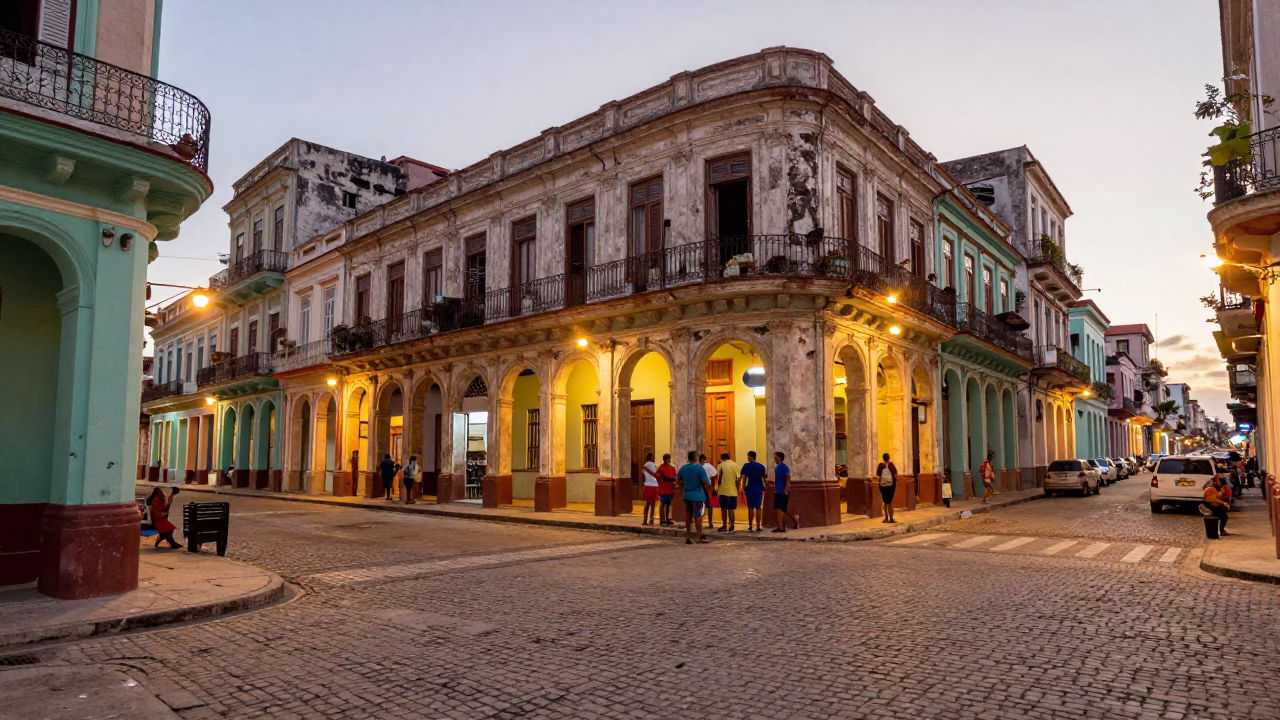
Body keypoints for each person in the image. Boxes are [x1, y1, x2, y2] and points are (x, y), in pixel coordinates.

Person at [677, 450, 713, 544]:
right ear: (696, 457)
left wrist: (683, 488)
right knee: (698, 515)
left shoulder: (683, 468)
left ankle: (688, 536)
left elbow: (677, 481)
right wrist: (710, 489)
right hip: (698, 495)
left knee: (688, 515)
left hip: (687, 495)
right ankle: (698, 537)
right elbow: (705, 481)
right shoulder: (699, 468)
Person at [772, 451, 800, 532]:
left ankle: (781, 527)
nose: (774, 458)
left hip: (782, 491)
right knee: (780, 509)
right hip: (777, 491)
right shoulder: (776, 468)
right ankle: (792, 519)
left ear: (779, 458)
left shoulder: (784, 467)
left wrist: (786, 490)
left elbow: (788, 478)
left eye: (775, 457)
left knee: (781, 509)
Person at [740, 451, 768, 532]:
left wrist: (742, 488)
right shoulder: (761, 466)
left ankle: (750, 525)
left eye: (748, 456)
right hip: (759, 488)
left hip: (750, 488)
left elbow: (744, 477)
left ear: (750, 457)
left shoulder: (746, 466)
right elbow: (764, 478)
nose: (747, 457)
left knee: (750, 508)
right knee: (758, 507)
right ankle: (758, 526)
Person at [715, 452, 741, 532]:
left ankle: (724, 525)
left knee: (723, 509)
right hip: (733, 491)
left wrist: (717, 488)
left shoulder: (721, 465)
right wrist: (738, 489)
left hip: (724, 490)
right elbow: (738, 479)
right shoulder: (736, 465)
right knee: (731, 509)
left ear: (722, 458)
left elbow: (719, 478)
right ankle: (732, 525)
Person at [876, 452, 898, 523]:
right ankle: (891, 518)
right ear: (889, 458)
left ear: (883, 458)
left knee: (885, 502)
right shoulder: (891, 465)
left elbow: (878, 475)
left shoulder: (880, 465)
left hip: (883, 486)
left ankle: (886, 518)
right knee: (890, 502)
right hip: (891, 486)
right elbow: (895, 475)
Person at [657, 454, 678, 526]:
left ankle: (667, 519)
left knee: (668, 504)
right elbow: (657, 476)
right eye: (667, 458)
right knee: (662, 504)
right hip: (663, 489)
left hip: (670, 489)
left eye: (669, 458)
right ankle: (662, 519)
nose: (669, 460)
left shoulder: (672, 468)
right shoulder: (661, 468)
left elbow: (675, 477)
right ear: (664, 459)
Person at [640, 452, 660, 526]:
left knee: (647, 503)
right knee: (653, 504)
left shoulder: (644, 466)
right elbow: (657, 475)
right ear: (652, 458)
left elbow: (643, 476)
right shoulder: (655, 465)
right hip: (654, 485)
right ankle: (651, 520)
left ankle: (645, 519)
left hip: (647, 485)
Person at [700, 453, 718, 524]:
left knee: (702, 504)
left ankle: (706, 521)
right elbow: (715, 475)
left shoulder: (699, 466)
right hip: (707, 486)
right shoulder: (709, 466)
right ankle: (709, 521)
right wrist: (713, 486)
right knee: (709, 505)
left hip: (702, 486)